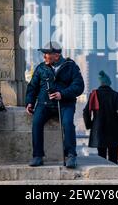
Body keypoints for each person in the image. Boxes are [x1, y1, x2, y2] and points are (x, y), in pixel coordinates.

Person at [26, 41, 84, 169]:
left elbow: (79, 86)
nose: (44, 57)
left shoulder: (71, 67)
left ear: (56, 55)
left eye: (46, 54)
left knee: (68, 123)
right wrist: (29, 102)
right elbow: (32, 87)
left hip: (65, 104)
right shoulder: (40, 68)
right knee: (36, 122)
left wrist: (62, 94)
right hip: (44, 104)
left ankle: (70, 155)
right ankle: (37, 156)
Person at [82, 71, 118, 164]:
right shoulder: (115, 94)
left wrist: (89, 125)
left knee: (101, 155)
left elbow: (86, 111)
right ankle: (114, 175)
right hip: (114, 128)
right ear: (109, 83)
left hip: (98, 129)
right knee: (113, 156)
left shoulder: (94, 94)